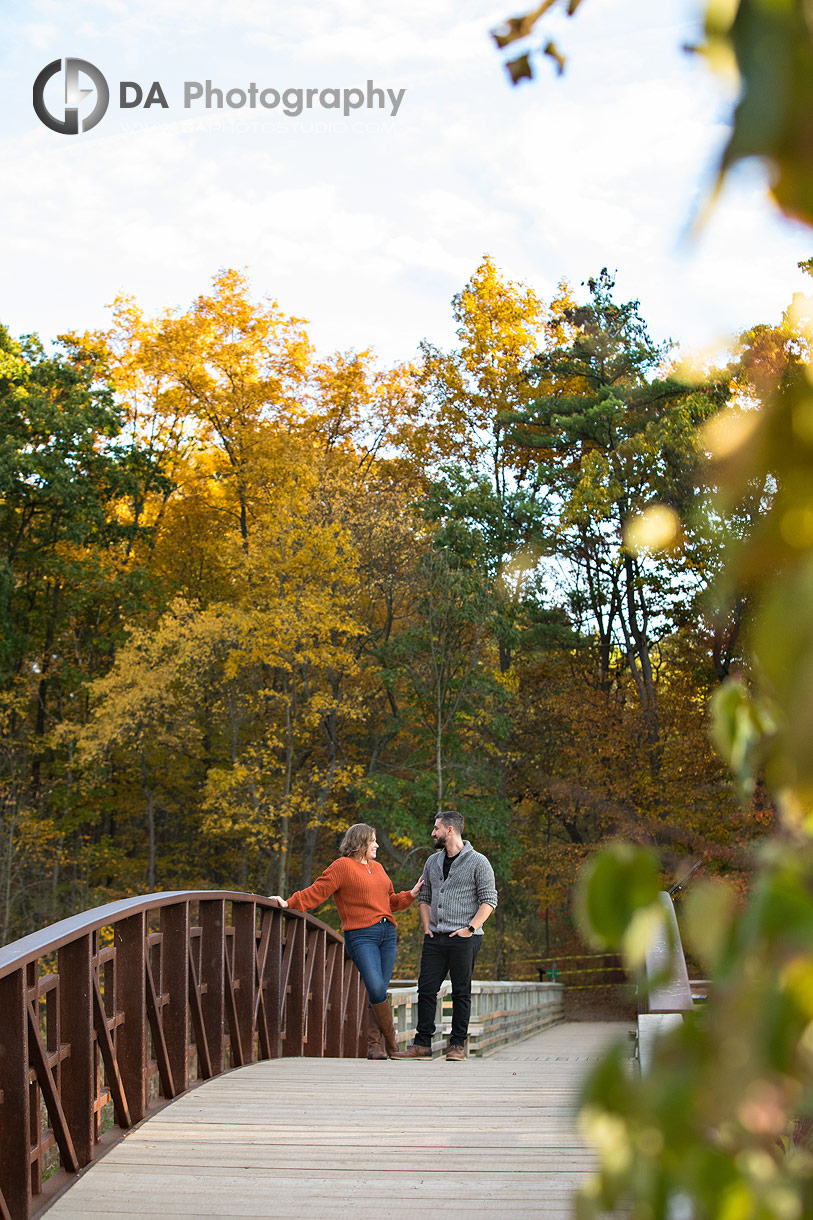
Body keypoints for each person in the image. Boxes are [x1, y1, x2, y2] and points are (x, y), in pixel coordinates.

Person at [270, 823, 422, 1059]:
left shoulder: (379, 868)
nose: (377, 845)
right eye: (373, 841)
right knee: (374, 986)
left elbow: (389, 901)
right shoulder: (342, 867)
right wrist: (288, 903)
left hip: (387, 934)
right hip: (361, 935)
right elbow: (316, 891)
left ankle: (374, 1046)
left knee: (380, 989)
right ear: (360, 843)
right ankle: (392, 1044)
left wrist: (409, 895)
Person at [393, 809, 497, 1062]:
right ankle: (421, 1044)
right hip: (435, 937)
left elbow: (489, 901)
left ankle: (457, 1046)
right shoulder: (432, 861)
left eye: (436, 828)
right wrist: (427, 926)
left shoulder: (479, 862)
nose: (433, 833)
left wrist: (470, 929)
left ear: (450, 830)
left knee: (461, 991)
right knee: (426, 989)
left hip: (465, 937)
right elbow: (425, 898)